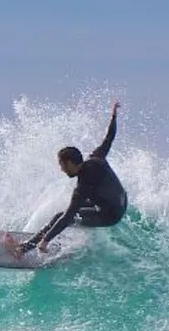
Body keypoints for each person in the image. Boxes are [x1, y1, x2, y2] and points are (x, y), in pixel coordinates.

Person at [14, 100, 128, 256]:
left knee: (64, 216)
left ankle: (23, 249)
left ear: (69, 163)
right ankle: (46, 240)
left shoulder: (82, 187)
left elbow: (68, 216)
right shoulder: (96, 157)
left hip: (110, 215)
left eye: (62, 165)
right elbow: (109, 138)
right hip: (120, 201)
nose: (61, 169)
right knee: (65, 215)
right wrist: (114, 116)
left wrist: (45, 240)